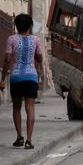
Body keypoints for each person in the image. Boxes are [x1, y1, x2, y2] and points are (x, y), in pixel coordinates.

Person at [0, 14, 43, 149]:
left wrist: (2, 80)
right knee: (30, 108)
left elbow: (7, 59)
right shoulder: (35, 40)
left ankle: (19, 137)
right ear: (30, 26)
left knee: (16, 107)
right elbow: (40, 59)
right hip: (31, 77)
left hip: (16, 77)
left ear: (16, 26)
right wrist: (35, 55)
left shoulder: (11, 39)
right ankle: (29, 140)